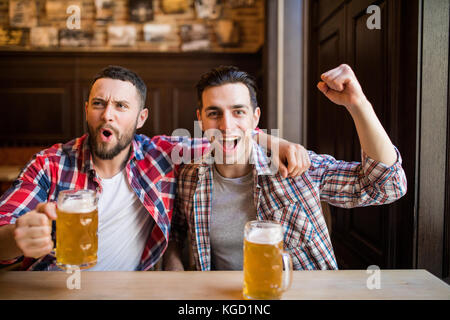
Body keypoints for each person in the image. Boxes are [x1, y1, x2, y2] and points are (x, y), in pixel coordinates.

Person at [0, 65, 308, 271]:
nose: (108, 115)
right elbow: (3, 229)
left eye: (121, 106)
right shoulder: (50, 163)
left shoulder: (160, 155)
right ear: (87, 110)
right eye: (98, 104)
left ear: (141, 118)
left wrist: (270, 140)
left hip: (131, 292)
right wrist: (16, 237)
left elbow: (226, 138)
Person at [163, 65, 407, 271]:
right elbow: (176, 227)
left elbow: (385, 186)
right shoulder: (189, 176)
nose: (226, 126)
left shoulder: (294, 167)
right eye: (214, 113)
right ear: (201, 120)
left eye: (238, 112)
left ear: (255, 117)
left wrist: (358, 104)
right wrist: (174, 264)